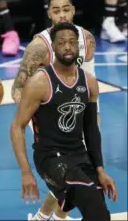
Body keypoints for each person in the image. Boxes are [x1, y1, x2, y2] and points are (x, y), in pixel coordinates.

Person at [10, 22, 118, 221]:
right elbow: (17, 127)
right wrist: (26, 172)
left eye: (71, 42)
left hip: (79, 155)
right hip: (49, 157)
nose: (67, 47)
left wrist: (100, 170)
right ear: (53, 47)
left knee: (101, 216)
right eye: (61, 43)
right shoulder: (39, 82)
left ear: (78, 45)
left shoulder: (89, 82)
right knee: (94, 208)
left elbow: (91, 129)